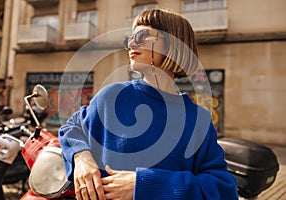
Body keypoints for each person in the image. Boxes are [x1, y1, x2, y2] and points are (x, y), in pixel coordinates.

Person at [58, 9, 238, 200]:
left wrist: (145, 185)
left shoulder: (197, 120)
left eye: (143, 35)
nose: (131, 44)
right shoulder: (112, 96)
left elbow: (223, 189)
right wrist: (81, 158)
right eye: (131, 37)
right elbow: (72, 127)